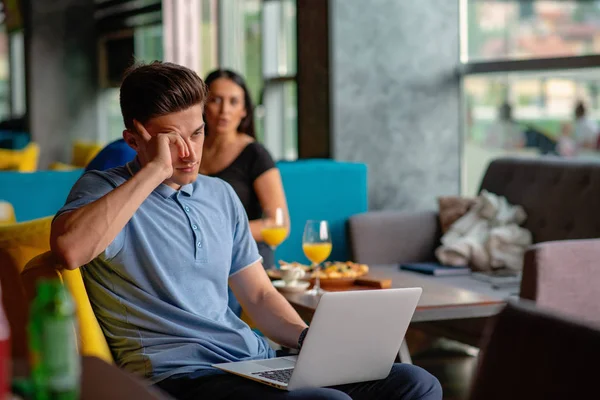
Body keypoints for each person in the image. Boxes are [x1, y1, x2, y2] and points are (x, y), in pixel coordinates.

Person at [50, 61, 442, 400]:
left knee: (414, 383)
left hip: (253, 361)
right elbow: (70, 249)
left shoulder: (219, 194)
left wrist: (312, 341)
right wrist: (155, 170)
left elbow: (257, 294)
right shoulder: (103, 189)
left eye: (197, 133)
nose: (189, 153)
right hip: (180, 377)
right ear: (135, 139)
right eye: (172, 140)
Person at [200, 69, 286, 272]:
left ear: (245, 110)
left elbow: (278, 224)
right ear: (202, 105)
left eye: (234, 102)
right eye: (216, 100)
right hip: (200, 256)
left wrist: (215, 231)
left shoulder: (255, 154)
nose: (224, 111)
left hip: (245, 258)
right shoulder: (188, 152)